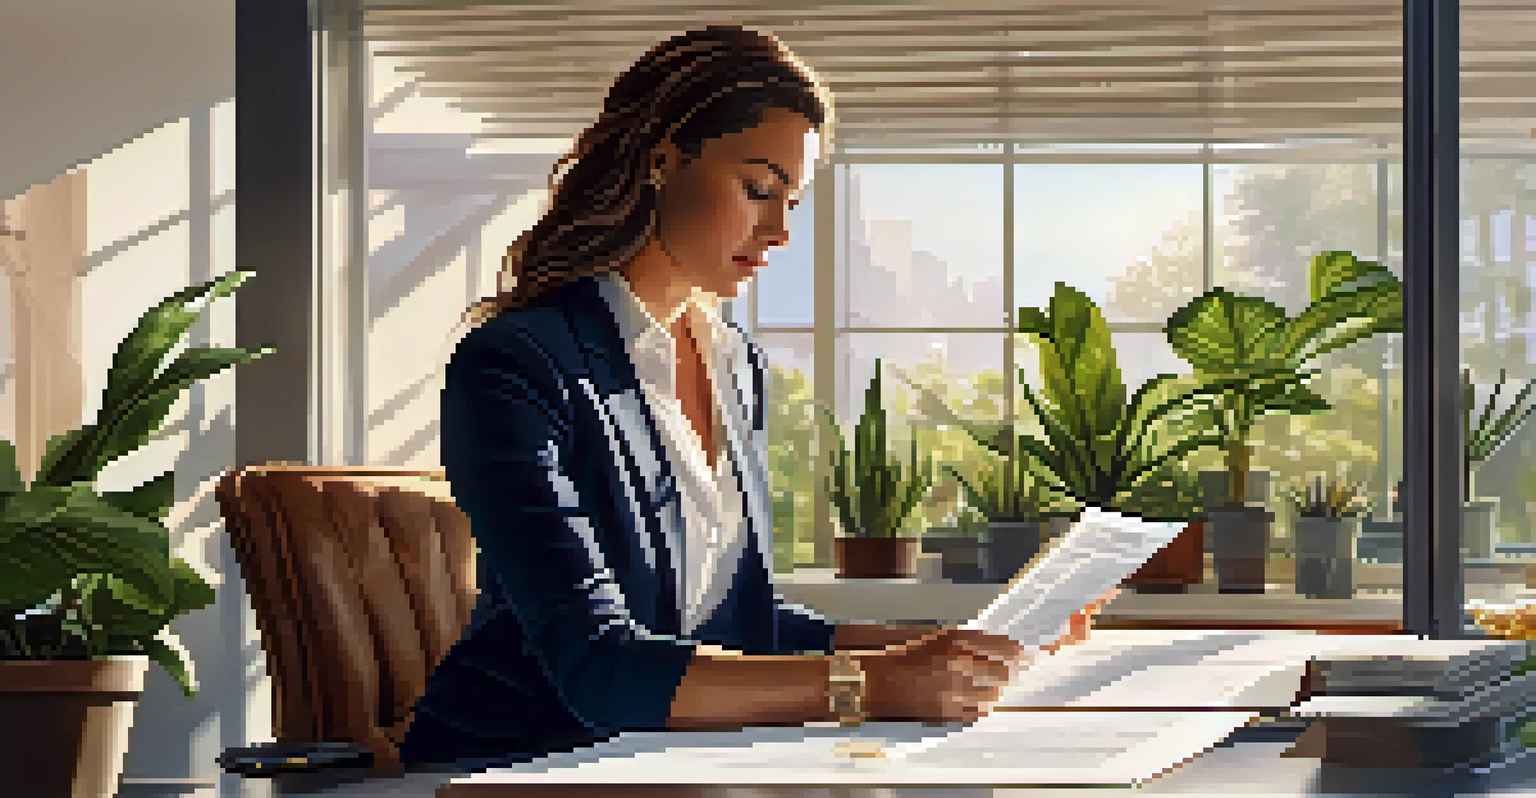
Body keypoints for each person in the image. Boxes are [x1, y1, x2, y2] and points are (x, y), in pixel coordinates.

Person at [399, 24, 1103, 770]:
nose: (779, 232)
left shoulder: (737, 365)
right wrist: (875, 682)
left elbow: (748, 625)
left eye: (791, 201)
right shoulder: (518, 365)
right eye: (759, 189)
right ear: (662, 160)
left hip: (666, 767)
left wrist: (962, 644)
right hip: (511, 769)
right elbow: (598, 667)